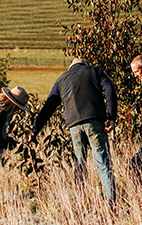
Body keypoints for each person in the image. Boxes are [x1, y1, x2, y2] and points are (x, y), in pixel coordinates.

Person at [34, 58, 117, 206]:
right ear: (84, 65)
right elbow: (109, 88)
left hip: (74, 126)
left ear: (70, 68)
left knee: (79, 163)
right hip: (95, 121)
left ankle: (81, 203)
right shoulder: (95, 71)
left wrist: (35, 129)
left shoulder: (62, 79)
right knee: (103, 163)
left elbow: (49, 106)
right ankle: (111, 204)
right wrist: (112, 116)